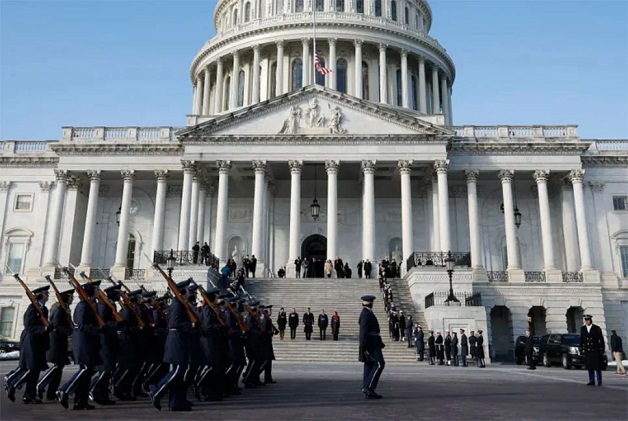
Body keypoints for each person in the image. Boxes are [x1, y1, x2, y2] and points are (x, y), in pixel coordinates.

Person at [149, 280, 195, 411]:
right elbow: (174, 324)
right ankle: (156, 392)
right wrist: (190, 325)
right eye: (188, 291)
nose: (190, 293)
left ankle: (176, 403)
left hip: (181, 341)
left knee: (180, 374)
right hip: (177, 342)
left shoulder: (181, 304)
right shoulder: (177, 305)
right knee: (177, 372)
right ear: (183, 292)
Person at [58, 280, 102, 410]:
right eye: (97, 289)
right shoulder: (83, 306)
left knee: (88, 371)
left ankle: (80, 401)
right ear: (92, 291)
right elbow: (81, 325)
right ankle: (64, 390)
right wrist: (99, 328)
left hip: (90, 342)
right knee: (85, 369)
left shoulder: (90, 304)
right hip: (84, 342)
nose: (99, 292)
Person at [5, 285, 50, 404]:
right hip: (31, 341)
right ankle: (13, 383)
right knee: (30, 368)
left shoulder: (43, 309)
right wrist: (44, 329)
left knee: (35, 370)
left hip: (38, 342)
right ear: (40, 295)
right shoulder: (32, 308)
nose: (48, 295)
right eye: (46, 293)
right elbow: (29, 326)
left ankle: (29, 395)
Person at [37, 288, 73, 402]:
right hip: (56, 340)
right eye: (71, 296)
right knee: (58, 366)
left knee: (59, 367)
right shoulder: (59, 308)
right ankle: (41, 384)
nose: (72, 298)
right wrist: (70, 331)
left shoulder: (65, 308)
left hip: (61, 340)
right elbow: (56, 325)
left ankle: (51, 393)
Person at [358, 295, 385, 399]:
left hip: (373, 342)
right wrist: (363, 346)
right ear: (370, 303)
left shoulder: (367, 313)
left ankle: (367, 387)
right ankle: (369, 387)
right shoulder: (366, 314)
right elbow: (363, 331)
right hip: (371, 343)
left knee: (369, 365)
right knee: (379, 364)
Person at [580, 314, 605, 386]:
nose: (587, 321)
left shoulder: (596, 328)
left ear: (591, 320)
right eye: (586, 320)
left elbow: (601, 339)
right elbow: (582, 339)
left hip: (595, 349)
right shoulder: (583, 328)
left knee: (597, 367)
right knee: (589, 366)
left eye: (588, 320)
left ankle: (599, 381)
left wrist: (601, 348)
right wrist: (581, 348)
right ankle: (592, 380)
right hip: (588, 350)